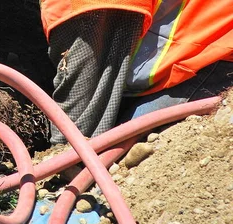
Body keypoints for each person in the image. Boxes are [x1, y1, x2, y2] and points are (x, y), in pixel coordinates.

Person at [39, 0, 233, 144]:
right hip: (176, 55)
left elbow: (81, 85)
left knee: (123, 150)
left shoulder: (86, 9)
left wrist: (62, 150)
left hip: (213, 53)